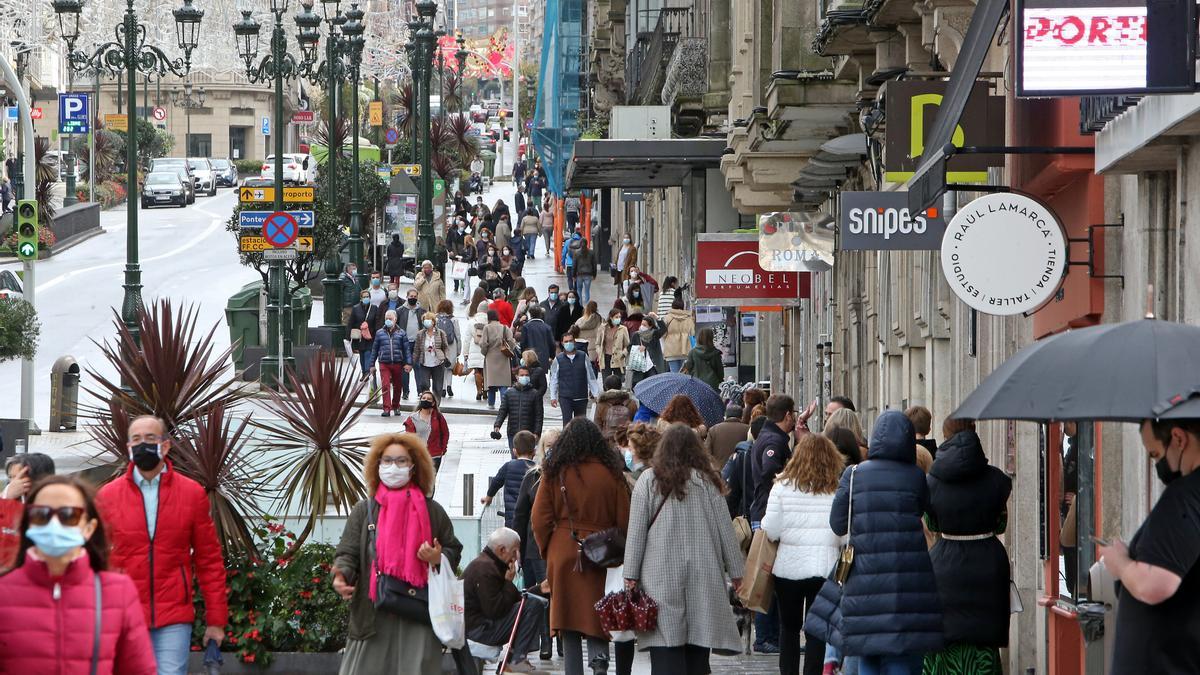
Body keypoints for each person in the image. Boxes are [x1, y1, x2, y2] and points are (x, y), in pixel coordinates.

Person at [804, 410, 944, 675]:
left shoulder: (854, 475)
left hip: (864, 581)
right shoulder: (915, 477)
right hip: (908, 582)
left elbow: (837, 523)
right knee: (903, 658)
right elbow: (925, 511)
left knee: (868, 654)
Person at [96, 415, 228, 675]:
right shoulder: (107, 496)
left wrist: (216, 621)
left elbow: (208, 560)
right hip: (124, 614)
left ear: (165, 446)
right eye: (136, 439)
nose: (142, 444)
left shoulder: (191, 494)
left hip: (173, 615)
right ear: (128, 447)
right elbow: (93, 560)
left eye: (150, 438)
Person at [333, 432, 463, 675]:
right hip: (373, 614)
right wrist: (342, 575)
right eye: (387, 460)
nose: (393, 466)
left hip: (419, 614)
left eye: (401, 461)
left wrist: (437, 557)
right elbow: (348, 551)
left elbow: (452, 549)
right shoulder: (365, 510)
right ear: (377, 465)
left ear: (414, 467)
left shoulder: (433, 511)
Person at [0, 475, 157, 674]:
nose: (54, 524)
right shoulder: (3, 591)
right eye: (41, 514)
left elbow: (138, 669)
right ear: (29, 523)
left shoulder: (118, 591)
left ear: (89, 528)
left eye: (68, 515)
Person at [623, 423, 744, 674]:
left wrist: (631, 575)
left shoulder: (648, 480)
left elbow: (636, 532)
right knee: (698, 651)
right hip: (704, 575)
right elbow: (726, 531)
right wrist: (737, 572)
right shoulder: (709, 481)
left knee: (666, 650)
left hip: (659, 576)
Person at [1097, 417, 1200, 672]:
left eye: (1155, 454)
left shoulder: (1185, 496)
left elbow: (1155, 584)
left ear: (1178, 438)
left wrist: (1120, 563)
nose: (1157, 464)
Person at [532, 419, 631, 675]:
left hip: (564, 548)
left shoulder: (556, 470)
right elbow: (624, 519)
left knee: (568, 617)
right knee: (598, 609)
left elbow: (540, 518)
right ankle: (599, 661)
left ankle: (573, 670)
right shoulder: (612, 472)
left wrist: (549, 549)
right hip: (602, 550)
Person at [922, 418, 1012, 673]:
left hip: (944, 564)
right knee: (983, 639)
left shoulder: (933, 480)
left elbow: (933, 524)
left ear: (945, 435)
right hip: (988, 564)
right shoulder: (995, 479)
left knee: (945, 637)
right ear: (974, 431)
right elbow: (1001, 525)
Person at [762, 434, 845, 675]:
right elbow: (843, 533)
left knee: (788, 629)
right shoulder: (837, 489)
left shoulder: (781, 487)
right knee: (817, 631)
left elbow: (771, 528)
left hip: (788, 568)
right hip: (825, 567)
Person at [747, 395, 797, 654]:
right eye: (794, 414)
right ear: (787, 415)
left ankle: (772, 636)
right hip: (768, 512)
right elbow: (769, 469)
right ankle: (765, 637)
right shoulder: (773, 441)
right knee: (768, 577)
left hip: (765, 510)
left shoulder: (770, 436)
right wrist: (790, 480)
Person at [463, 527, 548, 673]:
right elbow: (496, 610)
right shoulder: (485, 569)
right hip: (478, 631)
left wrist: (540, 589)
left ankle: (513, 661)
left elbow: (515, 600)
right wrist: (508, 583)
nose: (516, 557)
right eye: (514, 551)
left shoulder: (491, 564)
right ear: (502, 550)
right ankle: (516, 661)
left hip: (481, 626)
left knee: (534, 602)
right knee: (533, 604)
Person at [513, 429, 562, 662]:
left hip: (561, 547)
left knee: (560, 594)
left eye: (556, 444)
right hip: (536, 547)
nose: (551, 449)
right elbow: (520, 516)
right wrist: (517, 549)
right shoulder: (532, 477)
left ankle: (562, 638)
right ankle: (546, 641)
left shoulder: (569, 475)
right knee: (543, 594)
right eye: (548, 445)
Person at [484, 431, 539, 528]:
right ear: (534, 452)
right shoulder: (537, 470)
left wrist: (489, 497)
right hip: (530, 521)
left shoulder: (509, 466)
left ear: (514, 451)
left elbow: (496, 482)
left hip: (511, 520)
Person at [550, 333, 601, 426]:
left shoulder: (583, 356)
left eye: (570, 341)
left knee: (581, 424)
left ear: (574, 341)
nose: (568, 343)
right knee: (567, 424)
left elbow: (591, 376)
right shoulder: (558, 359)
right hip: (565, 397)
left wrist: (596, 393)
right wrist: (553, 396)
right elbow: (553, 379)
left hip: (581, 397)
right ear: (562, 343)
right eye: (566, 341)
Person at [370, 309, 413, 417]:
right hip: (384, 363)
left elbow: (406, 349)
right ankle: (386, 408)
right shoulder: (379, 333)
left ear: (395, 319)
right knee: (385, 385)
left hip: (398, 363)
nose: (388, 320)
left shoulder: (402, 333)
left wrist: (408, 363)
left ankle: (396, 406)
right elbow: (374, 350)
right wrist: (371, 365)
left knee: (398, 386)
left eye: (390, 318)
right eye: (386, 319)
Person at [494, 367, 545, 452]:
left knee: (527, 459)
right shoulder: (509, 393)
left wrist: (537, 433)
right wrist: (497, 425)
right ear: (517, 376)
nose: (524, 377)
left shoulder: (535, 394)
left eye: (526, 375)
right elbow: (503, 411)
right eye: (522, 375)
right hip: (513, 432)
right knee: (514, 457)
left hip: (529, 433)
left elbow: (539, 415)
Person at [402, 390, 449, 471]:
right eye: (423, 398)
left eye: (428, 399)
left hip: (435, 455)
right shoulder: (412, 418)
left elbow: (445, 433)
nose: (425, 400)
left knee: (431, 481)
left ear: (433, 403)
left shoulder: (438, 417)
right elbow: (409, 439)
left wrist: (443, 448)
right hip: (419, 456)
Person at [480, 309, 517, 409]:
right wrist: (508, 350)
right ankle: (504, 404)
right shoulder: (504, 327)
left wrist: (484, 352)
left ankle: (491, 403)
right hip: (503, 357)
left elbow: (483, 343)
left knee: (491, 383)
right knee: (503, 383)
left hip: (490, 357)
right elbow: (511, 341)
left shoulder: (487, 328)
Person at [412, 312, 449, 405]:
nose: (427, 322)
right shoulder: (420, 334)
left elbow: (445, 346)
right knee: (424, 384)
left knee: (437, 386)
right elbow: (416, 349)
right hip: (424, 362)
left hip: (438, 362)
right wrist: (412, 362)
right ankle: (426, 403)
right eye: (425, 320)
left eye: (429, 320)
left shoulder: (440, 333)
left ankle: (436, 405)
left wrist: (445, 357)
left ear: (433, 322)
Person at [397, 289, 427, 399]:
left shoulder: (422, 311)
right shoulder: (400, 310)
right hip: (405, 343)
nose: (413, 298)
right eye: (411, 296)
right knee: (405, 368)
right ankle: (405, 391)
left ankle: (420, 391)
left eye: (415, 296)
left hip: (417, 343)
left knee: (418, 367)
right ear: (407, 296)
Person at [627, 314, 667, 388]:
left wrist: (657, 318)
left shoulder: (654, 334)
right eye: (642, 324)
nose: (642, 326)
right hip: (640, 366)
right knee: (640, 386)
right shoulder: (636, 335)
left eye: (644, 325)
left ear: (650, 326)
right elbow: (629, 347)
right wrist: (638, 348)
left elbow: (663, 329)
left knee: (653, 386)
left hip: (653, 365)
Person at [595, 374, 638, 443]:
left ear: (606, 387)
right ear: (620, 386)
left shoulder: (601, 405)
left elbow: (597, 426)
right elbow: (635, 423)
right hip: (626, 441)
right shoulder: (631, 403)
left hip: (608, 442)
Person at [348, 289, 382, 378]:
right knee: (362, 355)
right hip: (359, 337)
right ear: (361, 298)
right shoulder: (356, 309)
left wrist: (377, 334)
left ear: (370, 298)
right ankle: (364, 372)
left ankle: (367, 372)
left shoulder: (374, 308)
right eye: (364, 297)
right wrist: (348, 337)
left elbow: (377, 322)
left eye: (367, 297)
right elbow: (351, 323)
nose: (366, 298)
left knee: (368, 353)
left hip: (371, 336)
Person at [680, 326, 724, 392]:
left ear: (699, 338)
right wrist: (719, 380)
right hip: (712, 384)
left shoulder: (692, 352)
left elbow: (688, 368)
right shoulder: (716, 353)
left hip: (696, 383)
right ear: (711, 338)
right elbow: (720, 372)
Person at [661, 299, 694, 374]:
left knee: (674, 374)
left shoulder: (667, 318)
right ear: (683, 307)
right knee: (684, 374)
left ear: (672, 306)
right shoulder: (688, 318)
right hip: (685, 350)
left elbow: (662, 334)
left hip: (671, 350)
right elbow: (692, 332)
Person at [435, 300, 459, 398]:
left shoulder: (435, 318)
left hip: (440, 345)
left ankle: (443, 388)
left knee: (442, 368)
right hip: (451, 345)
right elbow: (458, 335)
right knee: (449, 367)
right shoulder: (454, 319)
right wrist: (459, 350)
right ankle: (449, 385)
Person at [599, 309, 630, 381]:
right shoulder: (603, 328)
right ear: (611, 317)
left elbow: (627, 345)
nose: (618, 319)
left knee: (618, 382)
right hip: (605, 358)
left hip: (618, 358)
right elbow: (598, 343)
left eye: (619, 317)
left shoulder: (623, 329)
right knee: (606, 383)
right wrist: (599, 352)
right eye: (616, 317)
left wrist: (623, 354)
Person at [574, 238, 598, 305]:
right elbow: (594, 264)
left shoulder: (576, 252)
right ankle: (587, 305)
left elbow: (574, 265)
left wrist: (573, 275)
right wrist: (594, 274)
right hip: (588, 274)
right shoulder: (591, 252)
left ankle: (580, 305)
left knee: (579, 290)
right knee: (587, 291)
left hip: (579, 274)